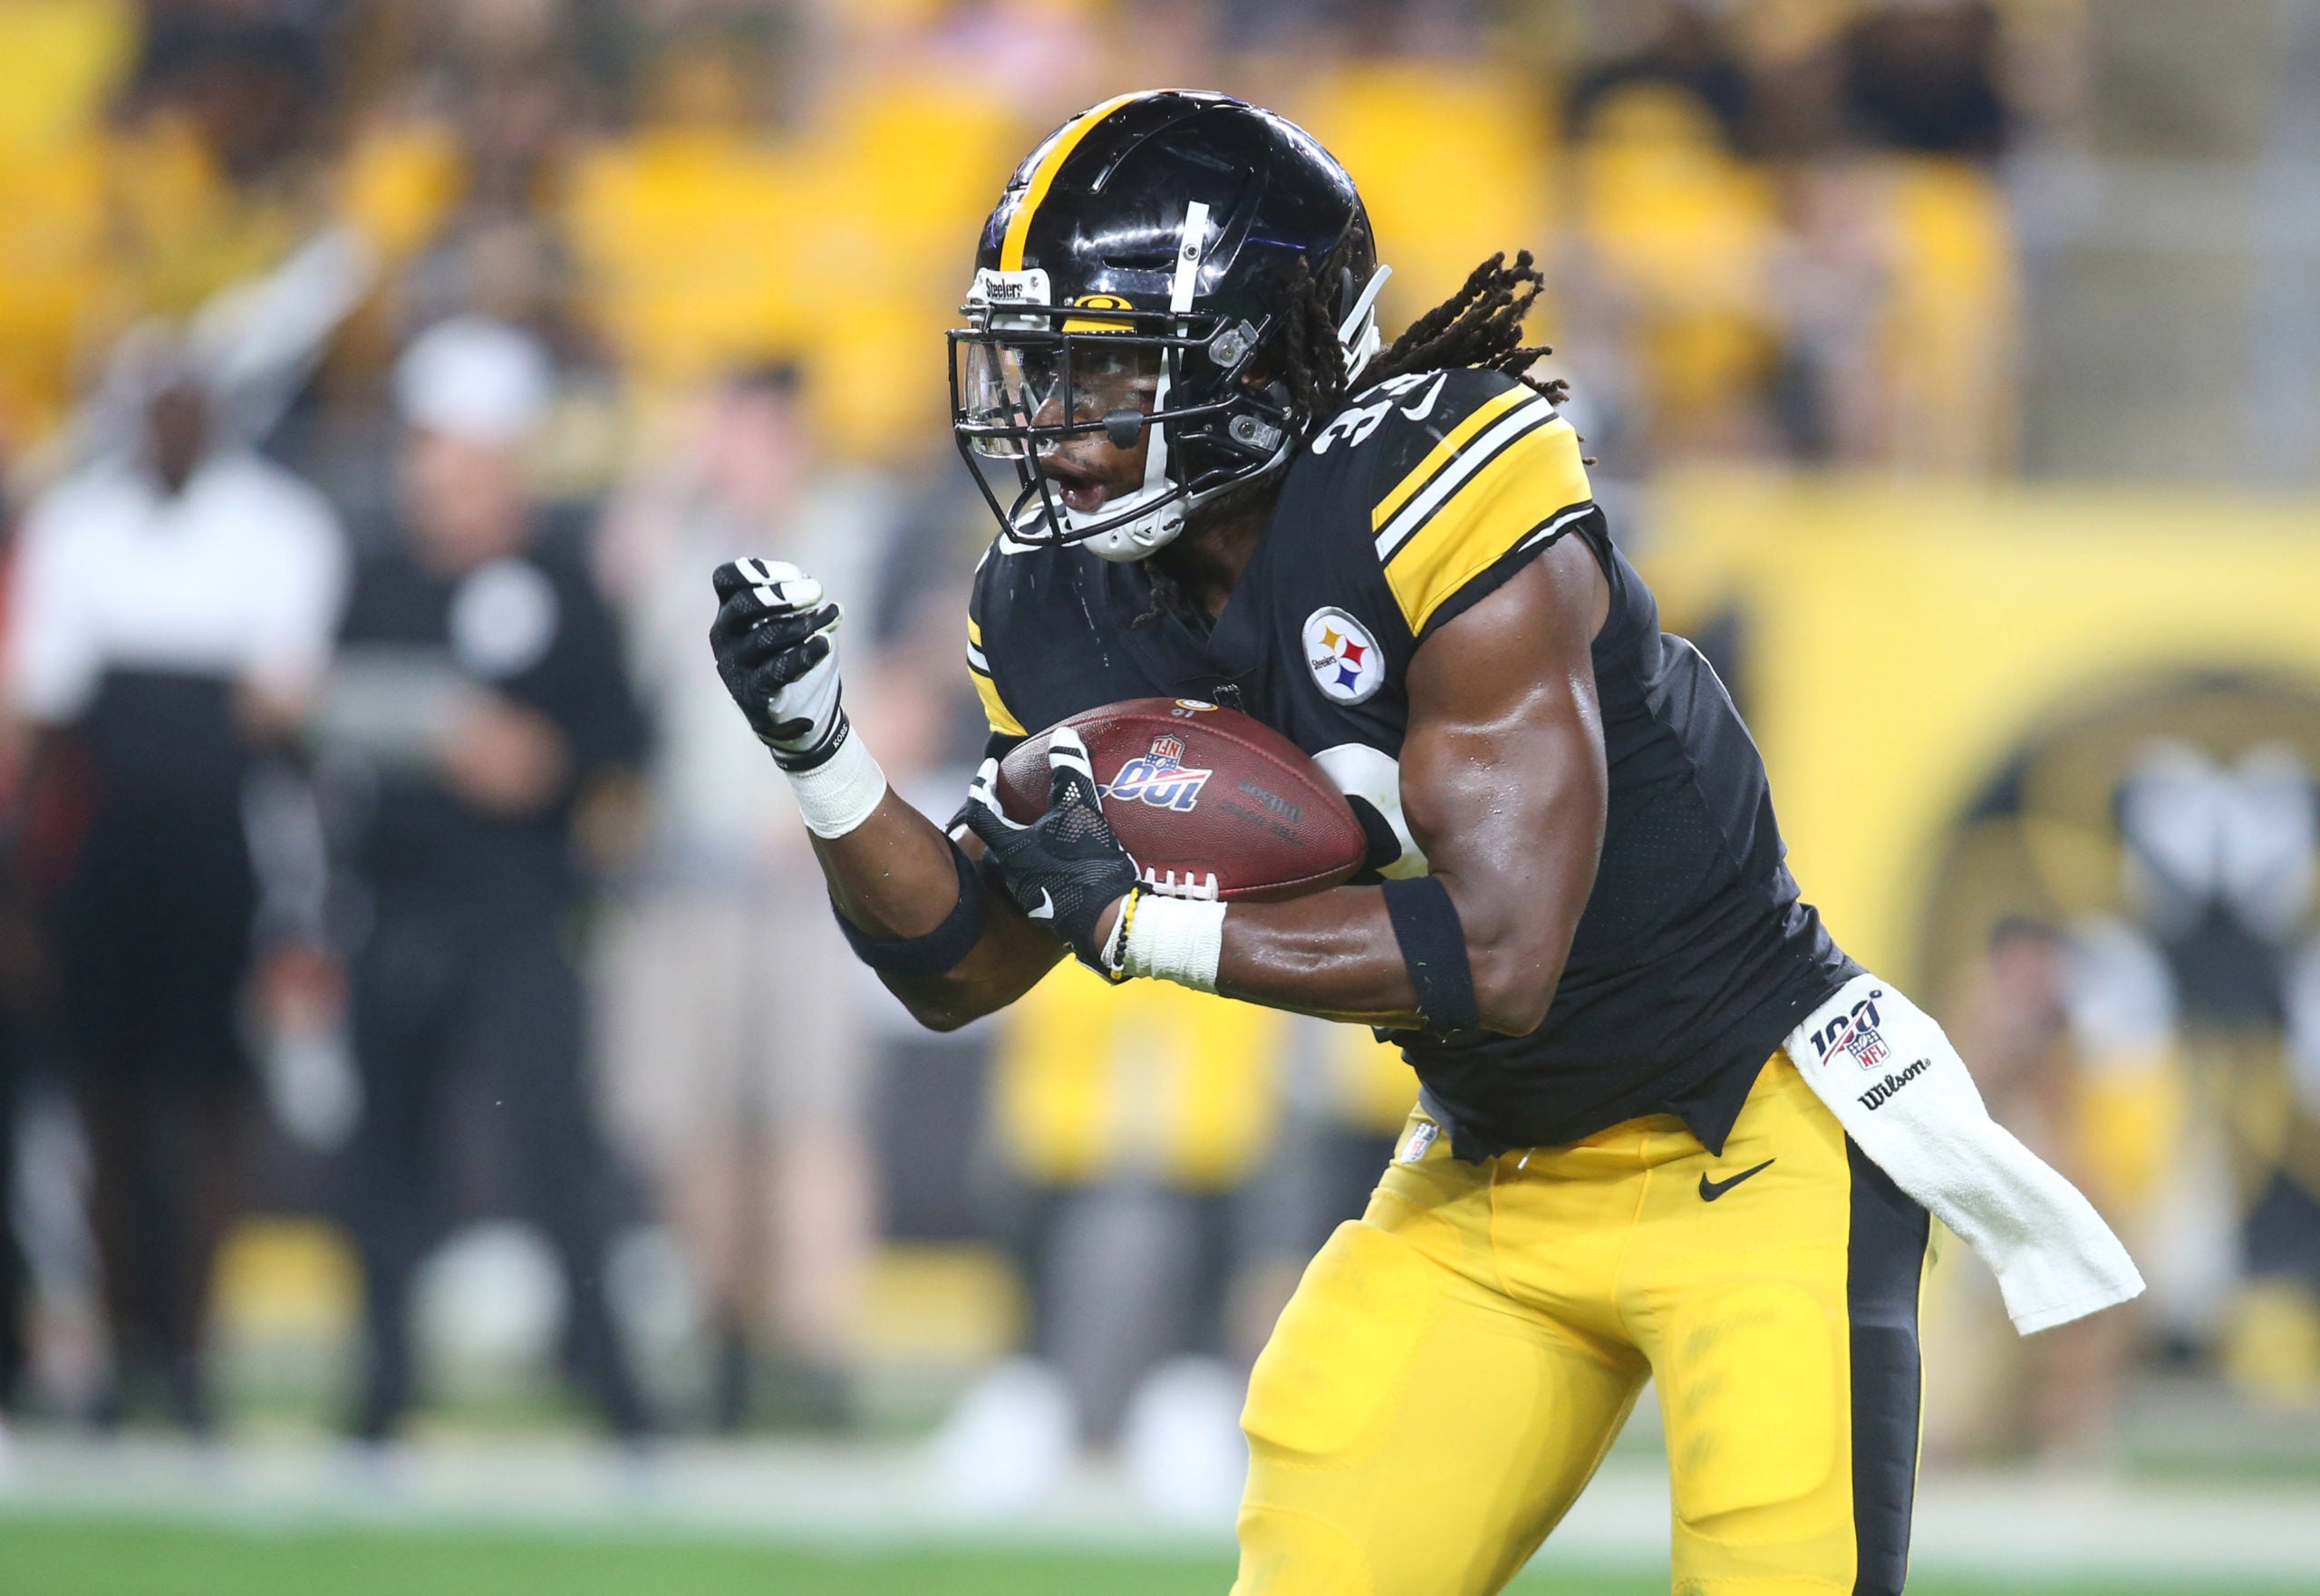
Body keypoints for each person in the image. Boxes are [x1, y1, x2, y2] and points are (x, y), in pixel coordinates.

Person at [708, 92, 2138, 1595]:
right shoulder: (1064, 598)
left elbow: (1503, 954)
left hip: (1750, 1134)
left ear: (1254, 369)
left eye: (1105, 368)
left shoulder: (1437, 479)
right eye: (1040, 368)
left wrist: (1140, 924)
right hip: (1492, 1168)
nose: (1053, 421)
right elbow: (962, 965)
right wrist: (823, 759)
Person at [5, 343, 347, 1431]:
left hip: (221, 845)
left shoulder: (278, 528)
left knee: (207, 1103)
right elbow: (52, 719)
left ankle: (191, 1348)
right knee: (103, 1101)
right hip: (104, 848)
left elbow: (282, 716)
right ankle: (118, 1344)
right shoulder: (81, 526)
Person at [328, 316, 649, 1442]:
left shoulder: (561, 581)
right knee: (387, 1162)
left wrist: (539, 764)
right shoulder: (374, 575)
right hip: (394, 906)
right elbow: (326, 717)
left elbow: (619, 745)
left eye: (453, 451)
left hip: (518, 910)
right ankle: (376, 1396)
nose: (433, 476)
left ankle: (614, 1392)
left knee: (558, 1149)